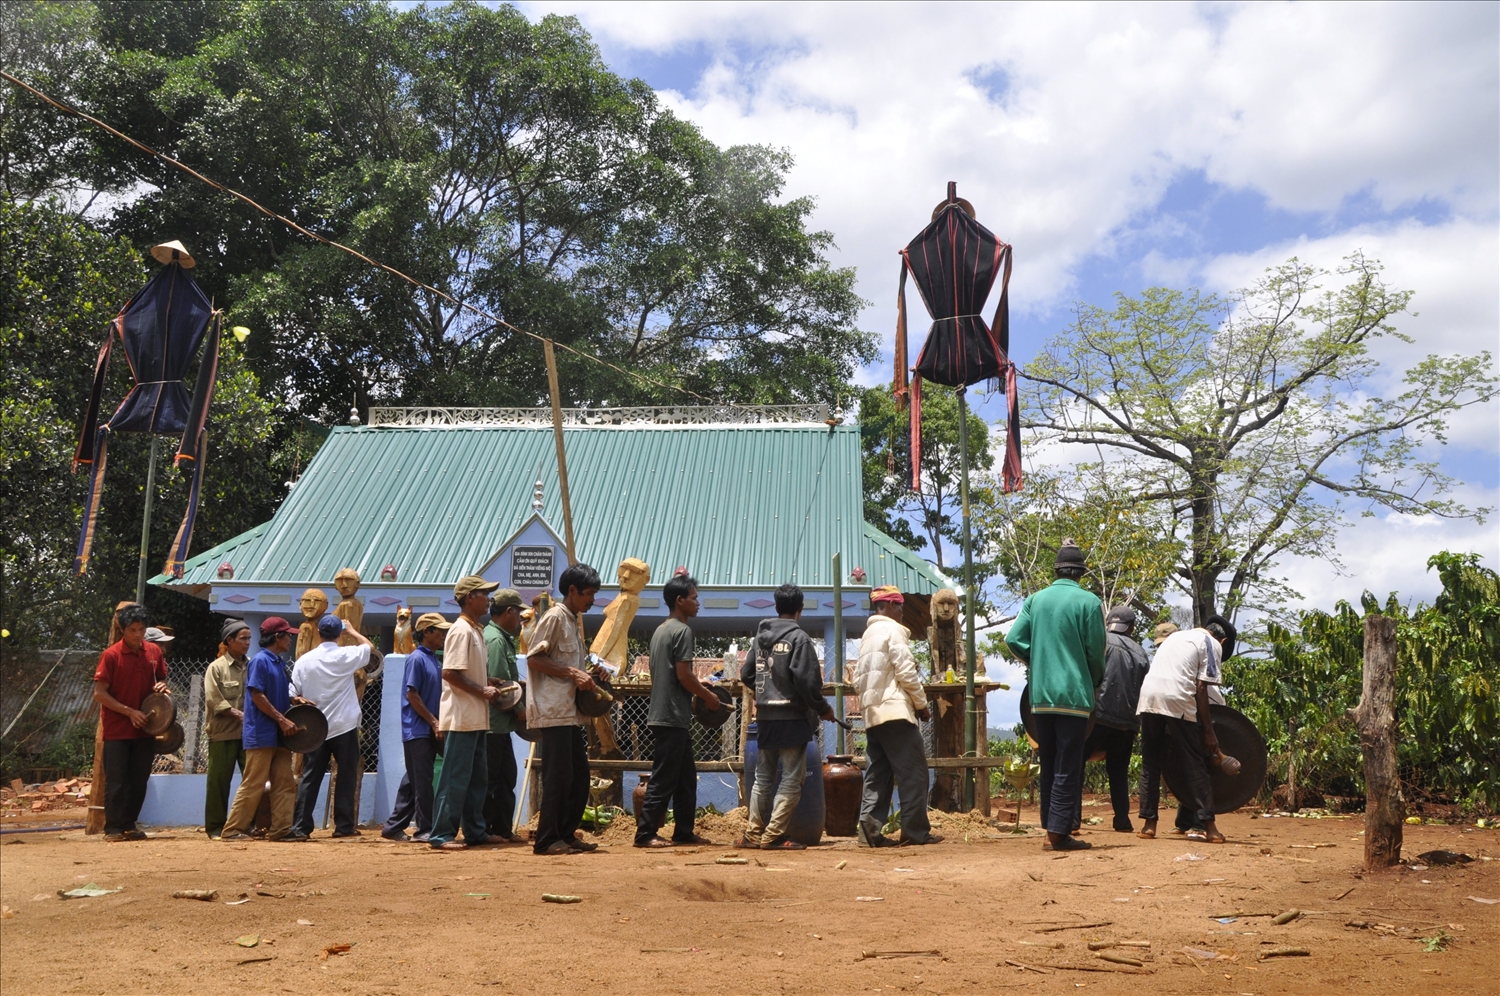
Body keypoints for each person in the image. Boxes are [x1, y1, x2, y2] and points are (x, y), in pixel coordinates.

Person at [1006, 540, 1106, 852]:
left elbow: (1013, 639)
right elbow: (1095, 653)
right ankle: (1059, 834)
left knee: (1049, 762)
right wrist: (1094, 680)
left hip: (1040, 695)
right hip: (1074, 695)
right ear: (1081, 573)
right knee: (1068, 764)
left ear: (1057, 571)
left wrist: (1038, 657)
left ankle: (1051, 828)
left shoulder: (1036, 600)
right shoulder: (1088, 603)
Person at [735, 583, 833, 850]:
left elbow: (746, 674)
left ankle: (753, 834)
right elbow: (808, 681)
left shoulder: (760, 637)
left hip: (765, 717)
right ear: (800, 610)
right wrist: (823, 707)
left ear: (777, 607)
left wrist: (764, 693)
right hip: (792, 717)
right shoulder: (799, 639)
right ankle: (774, 835)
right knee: (792, 778)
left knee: (764, 777)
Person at [635, 574, 721, 848]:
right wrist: (708, 695)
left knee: (685, 780)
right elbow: (684, 676)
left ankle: (683, 831)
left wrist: (699, 682)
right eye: (694, 598)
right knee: (663, 777)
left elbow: (675, 674)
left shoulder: (661, 630)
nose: (698, 603)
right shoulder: (683, 631)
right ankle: (645, 833)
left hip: (666, 714)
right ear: (680, 601)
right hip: (672, 715)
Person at [1136, 615, 1236, 844]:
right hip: (1177, 697)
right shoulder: (1211, 644)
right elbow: (1201, 688)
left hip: (1149, 696)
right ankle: (1209, 827)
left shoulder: (1176, 637)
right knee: (1194, 762)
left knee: (1151, 761)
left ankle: (1149, 824)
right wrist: (1209, 733)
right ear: (1223, 642)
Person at [854, 586, 942, 847]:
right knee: (914, 774)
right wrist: (921, 704)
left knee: (877, 776)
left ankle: (868, 833)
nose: (903, 613)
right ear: (890, 606)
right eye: (901, 607)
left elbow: (858, 679)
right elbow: (905, 671)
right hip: (894, 711)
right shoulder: (893, 631)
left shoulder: (868, 635)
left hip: (872, 714)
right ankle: (915, 832)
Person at [526, 562, 603, 855]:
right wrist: (573, 674)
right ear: (572, 591)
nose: (591, 599)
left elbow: (573, 665)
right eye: (588, 593)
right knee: (558, 777)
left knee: (578, 776)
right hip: (554, 710)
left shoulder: (573, 620)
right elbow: (534, 659)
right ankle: (546, 839)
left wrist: (592, 674)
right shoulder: (555, 617)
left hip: (571, 713)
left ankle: (566, 833)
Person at [429, 575, 507, 850]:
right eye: (484, 594)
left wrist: (489, 683)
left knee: (476, 779)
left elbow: (466, 672)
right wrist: (481, 691)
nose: (488, 599)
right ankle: (441, 834)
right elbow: (449, 673)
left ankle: (475, 831)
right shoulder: (461, 630)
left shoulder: (475, 630)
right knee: (455, 778)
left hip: (474, 717)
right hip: (461, 717)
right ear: (469, 597)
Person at [221, 617, 305, 842]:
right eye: (288, 635)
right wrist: (281, 720)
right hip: (262, 732)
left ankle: (281, 829)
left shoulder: (277, 662)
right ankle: (232, 830)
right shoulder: (260, 661)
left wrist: (295, 700)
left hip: (279, 735)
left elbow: (275, 693)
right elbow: (257, 695)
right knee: (254, 783)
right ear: (277, 637)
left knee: (285, 783)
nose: (291, 639)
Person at [290, 614, 373, 838]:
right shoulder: (345, 655)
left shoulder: (304, 661)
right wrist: (353, 631)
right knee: (346, 775)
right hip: (343, 725)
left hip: (315, 726)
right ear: (339, 634)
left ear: (318, 633)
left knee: (310, 775)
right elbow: (368, 647)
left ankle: (300, 827)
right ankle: (344, 827)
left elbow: (294, 692)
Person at [92, 603, 170, 841]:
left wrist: (163, 688)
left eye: (141, 629)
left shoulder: (154, 653)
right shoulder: (111, 655)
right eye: (132, 630)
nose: (138, 635)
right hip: (118, 729)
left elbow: (163, 682)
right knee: (117, 780)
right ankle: (113, 828)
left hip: (146, 728)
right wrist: (129, 712)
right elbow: (99, 693)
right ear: (122, 629)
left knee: (138, 780)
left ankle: (129, 825)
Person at [1073, 606, 1150, 834]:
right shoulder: (1141, 652)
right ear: (1132, 627)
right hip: (1126, 722)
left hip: (1097, 715)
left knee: (1076, 767)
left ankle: (1073, 820)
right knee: (1118, 771)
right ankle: (1122, 820)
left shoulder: (1100, 641)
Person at [382, 613, 448, 842]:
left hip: (427, 728)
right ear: (427, 632)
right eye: (438, 630)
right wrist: (433, 721)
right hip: (418, 730)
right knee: (422, 783)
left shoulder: (433, 659)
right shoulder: (417, 658)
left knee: (413, 780)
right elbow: (412, 694)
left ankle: (393, 827)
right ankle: (424, 829)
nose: (443, 634)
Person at [203, 619, 251, 838]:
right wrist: (237, 714)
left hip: (248, 734)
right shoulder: (216, 668)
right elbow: (213, 698)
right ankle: (215, 827)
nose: (247, 643)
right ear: (229, 641)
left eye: (249, 638)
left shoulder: (252, 666)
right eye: (243, 639)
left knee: (251, 780)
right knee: (218, 781)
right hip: (222, 733)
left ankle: (246, 824)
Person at [483, 590, 525, 842]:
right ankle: (489, 829)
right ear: (509, 611)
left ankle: (501, 829)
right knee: (495, 780)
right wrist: (521, 711)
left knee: (504, 778)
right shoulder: (497, 640)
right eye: (518, 612)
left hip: (499, 726)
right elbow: (502, 689)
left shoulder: (497, 637)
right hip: (494, 725)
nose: (520, 618)